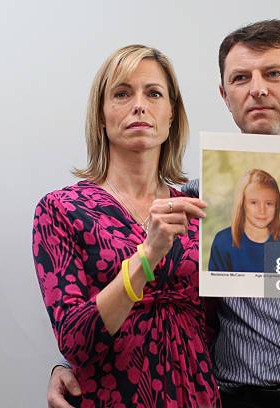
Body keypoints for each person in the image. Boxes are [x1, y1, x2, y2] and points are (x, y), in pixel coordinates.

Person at [48, 20, 280, 408]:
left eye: (274, 73)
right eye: (240, 78)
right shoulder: (199, 198)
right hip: (248, 400)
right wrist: (70, 363)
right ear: (224, 95)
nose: (258, 88)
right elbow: (169, 301)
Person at [33, 44, 220, 407]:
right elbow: (75, 340)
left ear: (171, 115)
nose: (139, 105)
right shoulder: (61, 209)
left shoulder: (201, 208)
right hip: (111, 397)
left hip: (198, 396)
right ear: (101, 115)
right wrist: (146, 257)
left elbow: (227, 323)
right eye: (122, 93)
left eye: (154, 93)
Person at [208, 168, 280, 273]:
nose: (262, 210)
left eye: (269, 203)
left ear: (277, 206)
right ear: (242, 204)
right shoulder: (222, 242)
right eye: (254, 202)